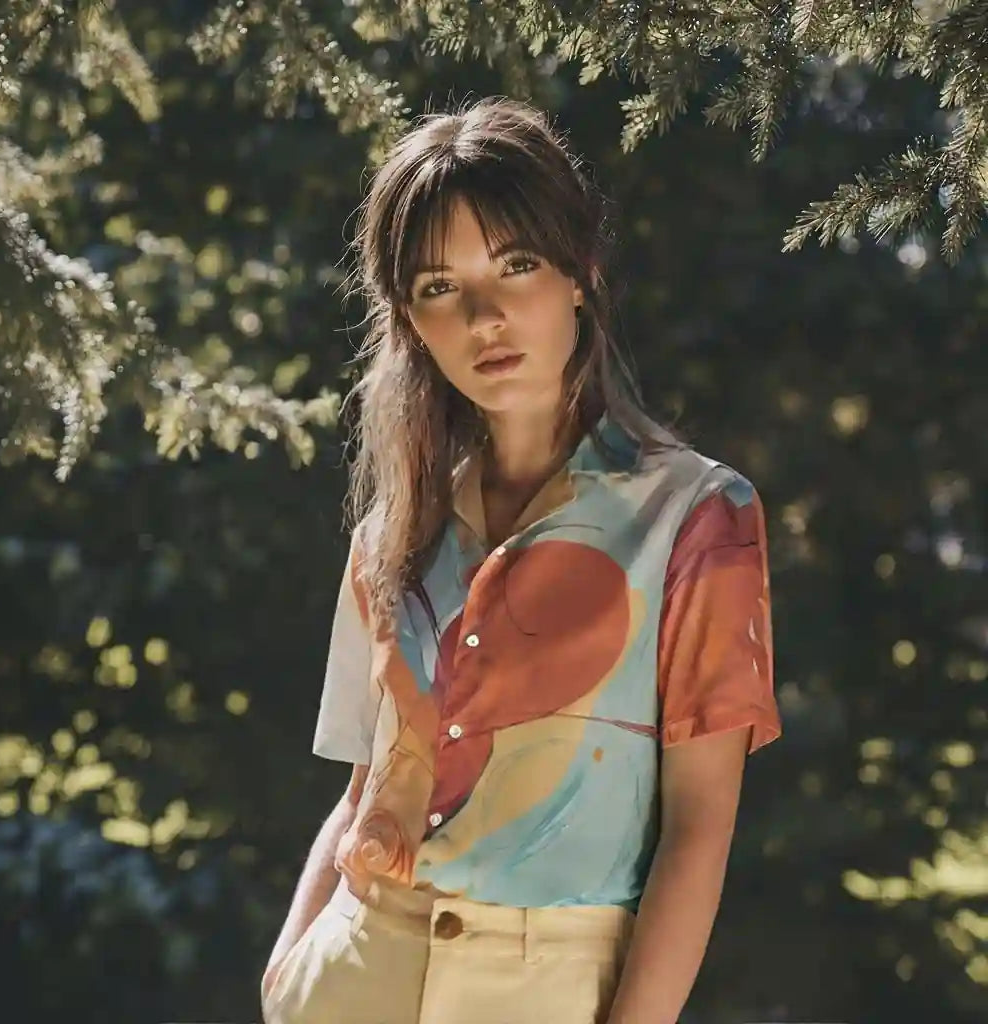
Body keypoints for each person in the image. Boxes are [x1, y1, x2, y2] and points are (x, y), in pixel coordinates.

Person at [260, 95, 782, 1024]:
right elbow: (361, 788)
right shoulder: (393, 532)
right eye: (437, 287)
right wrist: (288, 974)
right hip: (353, 972)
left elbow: (699, 827)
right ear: (410, 320)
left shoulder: (697, 516)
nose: (485, 315)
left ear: (581, 273)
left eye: (517, 265)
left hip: (548, 985)